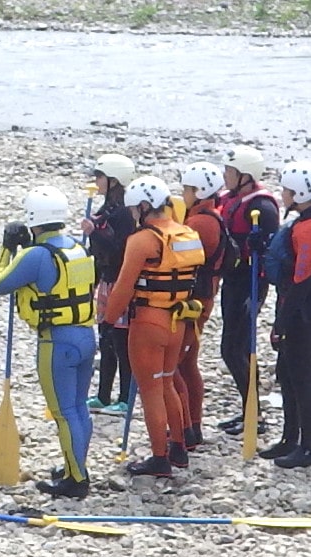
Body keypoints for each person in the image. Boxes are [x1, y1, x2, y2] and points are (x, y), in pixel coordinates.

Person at [0, 186, 96, 498]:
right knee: (79, 408)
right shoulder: (77, 247)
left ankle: (76, 480)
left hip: (56, 342)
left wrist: (7, 248)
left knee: (64, 412)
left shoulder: (36, 254)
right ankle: (74, 465)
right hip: (86, 336)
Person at [104, 176, 205, 477]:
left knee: (150, 390)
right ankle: (178, 446)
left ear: (145, 206)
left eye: (135, 210)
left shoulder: (141, 241)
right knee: (167, 382)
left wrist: (109, 321)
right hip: (178, 321)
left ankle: (159, 458)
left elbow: (122, 288)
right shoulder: (187, 233)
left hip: (148, 322)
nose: (133, 215)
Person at [217, 145, 279, 436]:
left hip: (250, 283)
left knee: (235, 348)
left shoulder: (262, 208)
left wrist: (259, 245)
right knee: (232, 347)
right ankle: (248, 410)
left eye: (229, 172)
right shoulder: (231, 199)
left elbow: (268, 250)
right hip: (233, 280)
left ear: (245, 175)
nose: (225, 176)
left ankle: (255, 415)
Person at [174, 162, 226, 449]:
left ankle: (185, 429)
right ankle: (192, 425)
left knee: (178, 364)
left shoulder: (200, 222)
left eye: (186, 189)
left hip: (193, 301)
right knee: (189, 363)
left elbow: (180, 259)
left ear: (199, 190)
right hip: (201, 298)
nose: (183, 194)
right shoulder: (207, 216)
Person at [81, 154, 137, 415]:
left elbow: (120, 248)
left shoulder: (125, 213)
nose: (96, 181)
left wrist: (95, 233)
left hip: (120, 281)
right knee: (105, 338)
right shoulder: (107, 209)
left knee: (120, 340)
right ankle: (103, 395)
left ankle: (125, 397)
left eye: (100, 176)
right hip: (105, 278)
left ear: (113, 180)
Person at [265, 161, 311, 467]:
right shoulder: (299, 223)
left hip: (302, 315)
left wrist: (282, 322)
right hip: (295, 309)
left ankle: (306, 447)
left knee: (302, 378)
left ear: (298, 193)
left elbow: (302, 280)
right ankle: (289, 438)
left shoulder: (306, 229)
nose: (281, 195)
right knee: (286, 375)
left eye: (284, 190)